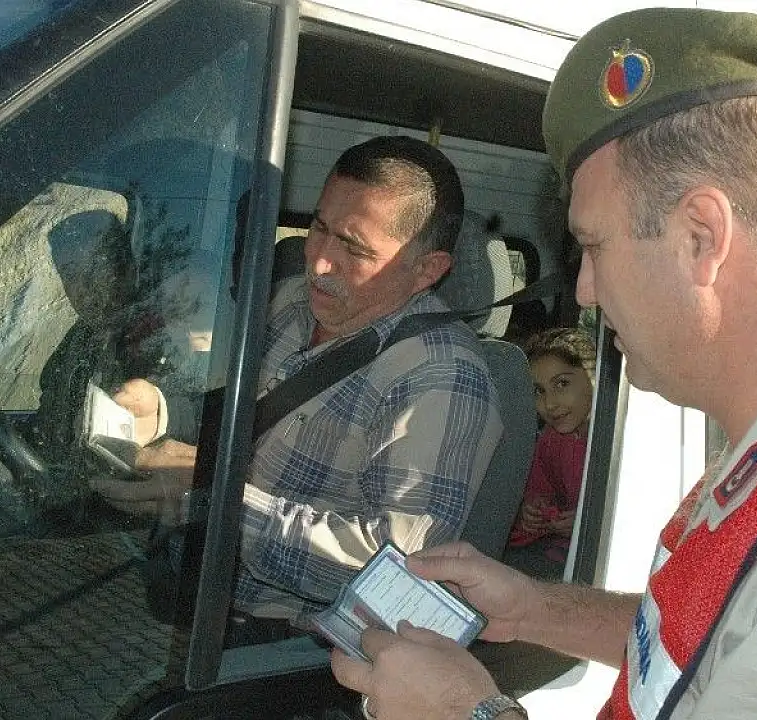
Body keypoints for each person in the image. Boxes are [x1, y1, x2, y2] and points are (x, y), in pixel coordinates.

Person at [330, 8, 757, 720]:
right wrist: (535, 609)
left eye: (594, 247)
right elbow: (719, 646)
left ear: (700, 238)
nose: (585, 292)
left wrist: (465, 713)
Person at [92, 135, 505, 628]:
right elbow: (246, 410)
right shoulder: (289, 302)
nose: (319, 262)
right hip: (187, 586)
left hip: (280, 644)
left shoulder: (443, 377)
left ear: (426, 270)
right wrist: (164, 410)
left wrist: (216, 501)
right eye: (319, 227)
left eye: (353, 247)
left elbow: (397, 572)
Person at [503, 327, 595, 579]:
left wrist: (586, 522)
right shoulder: (550, 440)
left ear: (593, 377)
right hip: (553, 551)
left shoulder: (612, 439)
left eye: (562, 384)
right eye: (538, 391)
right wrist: (532, 510)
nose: (550, 404)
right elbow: (539, 489)